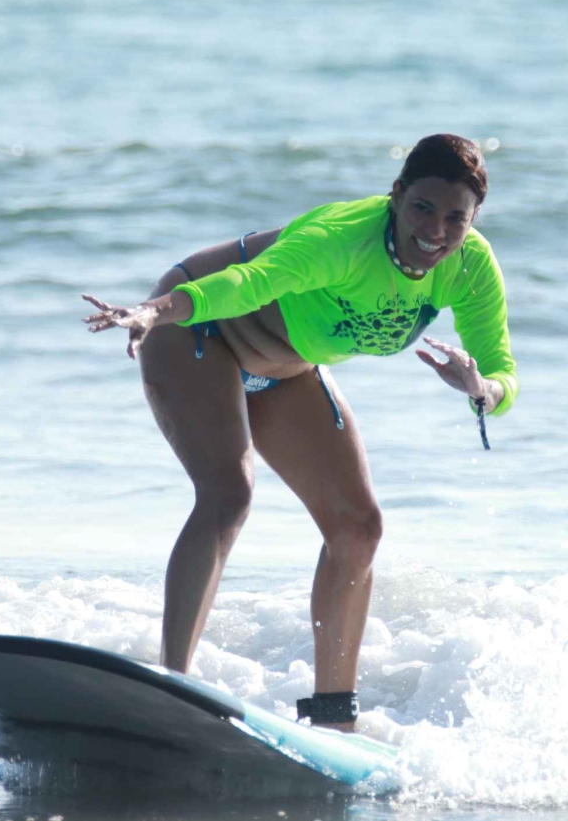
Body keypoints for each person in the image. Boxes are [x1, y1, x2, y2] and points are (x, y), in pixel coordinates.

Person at [82, 133, 518, 731]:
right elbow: (247, 285)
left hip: (284, 369)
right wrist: (157, 311)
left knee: (359, 527)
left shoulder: (470, 268)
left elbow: (500, 373)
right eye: (423, 208)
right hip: (196, 332)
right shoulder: (339, 238)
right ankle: (172, 687)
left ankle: (335, 720)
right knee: (228, 494)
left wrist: (479, 389)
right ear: (396, 196)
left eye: (456, 218)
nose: (436, 230)